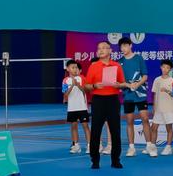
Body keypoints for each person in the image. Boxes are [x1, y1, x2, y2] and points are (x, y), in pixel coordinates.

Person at [82, 40, 123, 169]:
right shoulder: (93, 66)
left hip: (113, 100)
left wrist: (118, 85)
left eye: (104, 48)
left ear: (110, 51)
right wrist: (94, 86)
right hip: (98, 100)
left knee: (115, 130)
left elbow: (122, 83)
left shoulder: (117, 66)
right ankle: (95, 160)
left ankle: (115, 160)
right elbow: (86, 86)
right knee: (96, 130)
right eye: (99, 48)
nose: (101, 50)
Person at [118, 39, 148, 157]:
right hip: (128, 95)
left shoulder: (139, 58)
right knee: (129, 120)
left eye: (125, 46)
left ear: (130, 45)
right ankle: (131, 148)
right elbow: (119, 82)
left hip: (140, 94)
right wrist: (127, 85)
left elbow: (145, 76)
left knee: (145, 118)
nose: (123, 49)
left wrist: (137, 84)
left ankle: (149, 146)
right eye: (121, 47)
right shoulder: (119, 62)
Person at [149, 59, 173, 158]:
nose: (165, 69)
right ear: (160, 67)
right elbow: (155, 94)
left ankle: (168, 147)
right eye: (163, 67)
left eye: (167, 68)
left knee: (169, 128)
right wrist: (154, 106)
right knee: (154, 128)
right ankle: (152, 147)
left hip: (169, 108)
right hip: (158, 109)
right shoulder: (157, 80)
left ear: (170, 69)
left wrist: (167, 91)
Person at [61, 60, 88, 153]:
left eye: (76, 67)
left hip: (82, 107)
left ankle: (89, 145)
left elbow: (85, 91)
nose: (75, 69)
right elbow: (65, 95)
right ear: (68, 69)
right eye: (73, 67)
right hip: (72, 108)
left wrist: (78, 85)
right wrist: (72, 85)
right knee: (73, 126)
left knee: (85, 126)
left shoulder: (82, 78)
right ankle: (76, 145)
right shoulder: (65, 80)